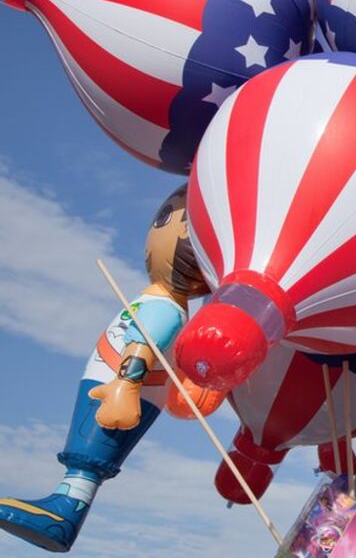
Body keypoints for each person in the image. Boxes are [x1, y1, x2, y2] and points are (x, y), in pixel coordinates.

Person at [0, 185, 213, 553]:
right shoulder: (168, 305)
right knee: (87, 455)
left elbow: (144, 341)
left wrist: (125, 385)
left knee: (90, 452)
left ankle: (65, 511)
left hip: (118, 385)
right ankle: (67, 505)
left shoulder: (165, 308)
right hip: (120, 383)